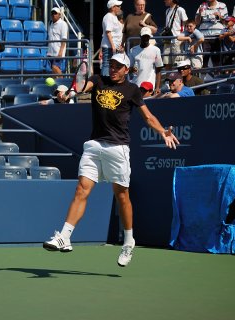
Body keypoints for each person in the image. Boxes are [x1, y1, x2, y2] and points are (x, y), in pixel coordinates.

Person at [43, 53, 180, 267]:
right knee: (82, 188)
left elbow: (147, 117)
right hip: (95, 145)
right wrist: (69, 93)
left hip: (118, 148)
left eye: (118, 67)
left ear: (127, 70)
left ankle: (128, 241)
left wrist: (163, 132)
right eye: (112, 65)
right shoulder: (98, 80)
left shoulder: (132, 90)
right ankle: (65, 235)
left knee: (122, 196)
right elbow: (82, 87)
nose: (113, 69)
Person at [129, 27, 163, 95]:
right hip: (136, 84)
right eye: (144, 36)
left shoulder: (156, 50)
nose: (146, 38)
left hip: (149, 86)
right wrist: (132, 69)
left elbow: (158, 69)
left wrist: (157, 87)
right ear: (140, 36)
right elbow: (130, 68)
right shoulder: (133, 50)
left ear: (150, 37)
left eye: (147, 36)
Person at [195, 0, 228, 68]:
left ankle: (217, 77)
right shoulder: (202, 5)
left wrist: (220, 16)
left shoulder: (222, 5)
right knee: (204, 60)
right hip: (204, 37)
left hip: (217, 37)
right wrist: (199, 14)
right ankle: (203, 78)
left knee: (217, 60)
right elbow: (197, 22)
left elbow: (227, 23)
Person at [99, 0, 124, 77]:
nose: (120, 8)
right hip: (109, 47)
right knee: (107, 64)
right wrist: (113, 46)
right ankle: (104, 83)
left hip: (114, 47)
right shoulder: (108, 17)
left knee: (112, 65)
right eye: (118, 6)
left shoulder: (114, 17)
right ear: (113, 7)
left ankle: (109, 82)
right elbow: (108, 32)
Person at [162, 0, 188, 70]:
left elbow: (186, 24)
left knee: (177, 64)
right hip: (167, 41)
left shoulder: (180, 10)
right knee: (166, 63)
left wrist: (182, 37)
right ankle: (168, 80)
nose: (164, 1)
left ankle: (177, 80)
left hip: (177, 41)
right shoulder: (167, 10)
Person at [46, 7, 68, 75]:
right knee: (53, 71)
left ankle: (63, 82)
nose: (53, 15)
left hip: (58, 52)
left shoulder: (63, 24)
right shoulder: (50, 23)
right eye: (52, 13)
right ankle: (56, 84)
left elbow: (64, 39)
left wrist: (61, 52)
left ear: (59, 15)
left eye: (55, 13)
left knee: (55, 67)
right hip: (50, 52)